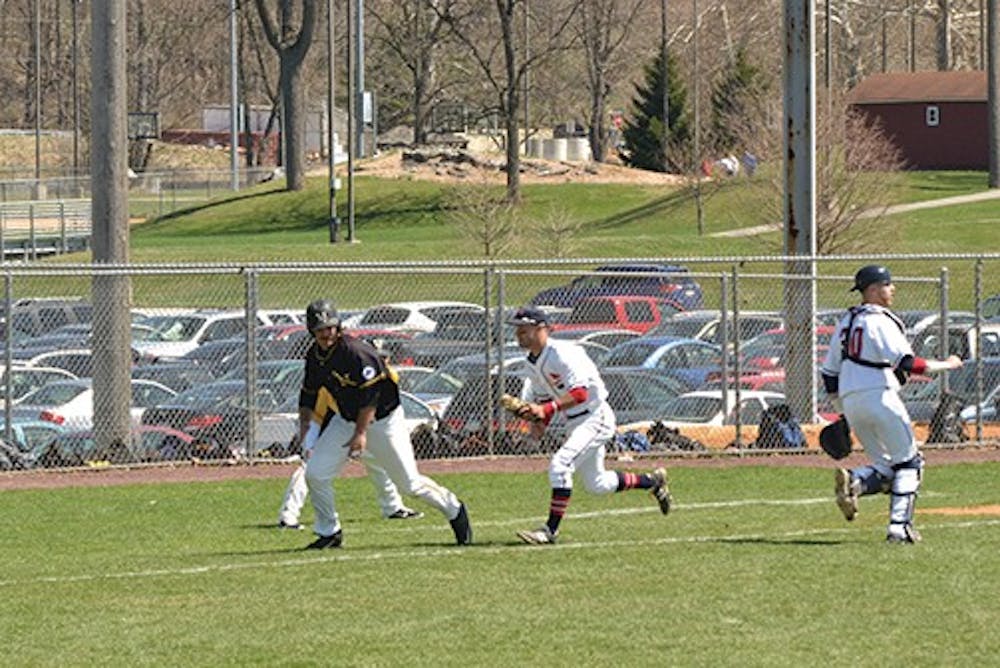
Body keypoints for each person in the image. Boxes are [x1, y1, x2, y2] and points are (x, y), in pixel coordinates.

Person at [299, 299, 472, 549]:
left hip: (382, 420)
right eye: (319, 329)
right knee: (315, 473)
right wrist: (305, 424)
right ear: (311, 331)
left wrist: (361, 434)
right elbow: (308, 393)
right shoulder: (315, 356)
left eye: (329, 327)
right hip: (345, 420)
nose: (325, 334)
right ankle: (330, 531)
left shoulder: (355, 352)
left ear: (338, 328)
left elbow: (372, 397)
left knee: (409, 484)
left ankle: (454, 508)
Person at [506, 306, 672, 545]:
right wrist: (538, 422)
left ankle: (549, 531)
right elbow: (545, 400)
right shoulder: (531, 362)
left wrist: (546, 410)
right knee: (598, 484)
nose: (519, 333)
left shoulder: (562, 354)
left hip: (595, 416)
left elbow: (580, 394)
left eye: (525, 328)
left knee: (560, 465)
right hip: (574, 422)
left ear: (542, 328)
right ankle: (653, 481)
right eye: (517, 328)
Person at [820, 265, 963, 544]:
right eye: (887, 284)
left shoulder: (846, 322)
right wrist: (948, 364)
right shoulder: (880, 320)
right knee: (910, 463)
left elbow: (828, 375)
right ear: (873, 289)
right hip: (880, 395)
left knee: (887, 466)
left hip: (851, 400)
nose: (892, 288)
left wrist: (842, 414)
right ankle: (900, 528)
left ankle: (857, 481)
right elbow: (909, 363)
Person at [276, 453, 423, 530]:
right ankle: (288, 516)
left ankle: (392, 507)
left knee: (377, 460)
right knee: (311, 467)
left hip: (357, 419)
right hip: (334, 424)